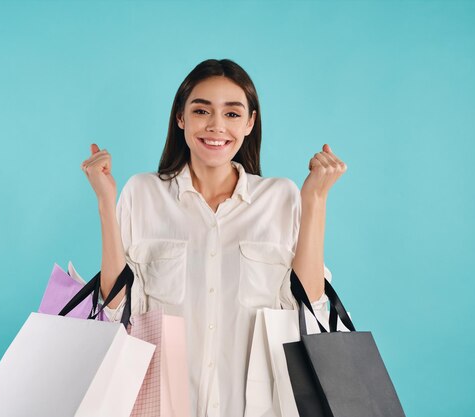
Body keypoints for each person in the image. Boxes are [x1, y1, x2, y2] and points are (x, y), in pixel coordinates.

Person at [80, 58, 347, 417]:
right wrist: (104, 202)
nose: (216, 126)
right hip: (162, 406)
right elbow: (115, 310)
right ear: (181, 118)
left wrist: (314, 200)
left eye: (233, 114)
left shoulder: (280, 197)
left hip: (257, 408)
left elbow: (308, 310)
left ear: (251, 122)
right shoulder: (142, 192)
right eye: (202, 110)